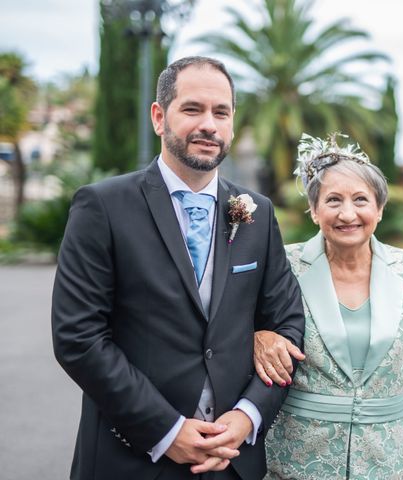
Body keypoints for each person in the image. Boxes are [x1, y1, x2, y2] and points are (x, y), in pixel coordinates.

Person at [51, 56, 305, 480]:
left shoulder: (256, 213)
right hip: (131, 459)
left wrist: (244, 418)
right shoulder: (102, 207)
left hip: (232, 461)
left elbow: (288, 325)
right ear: (158, 117)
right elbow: (78, 336)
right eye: (192, 109)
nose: (209, 124)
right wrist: (167, 431)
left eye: (221, 112)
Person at [253, 133, 403, 480]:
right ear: (314, 211)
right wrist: (256, 335)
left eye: (361, 199)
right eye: (333, 200)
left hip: (389, 464)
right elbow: (230, 328)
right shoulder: (282, 263)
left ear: (379, 209)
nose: (348, 213)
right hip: (296, 463)